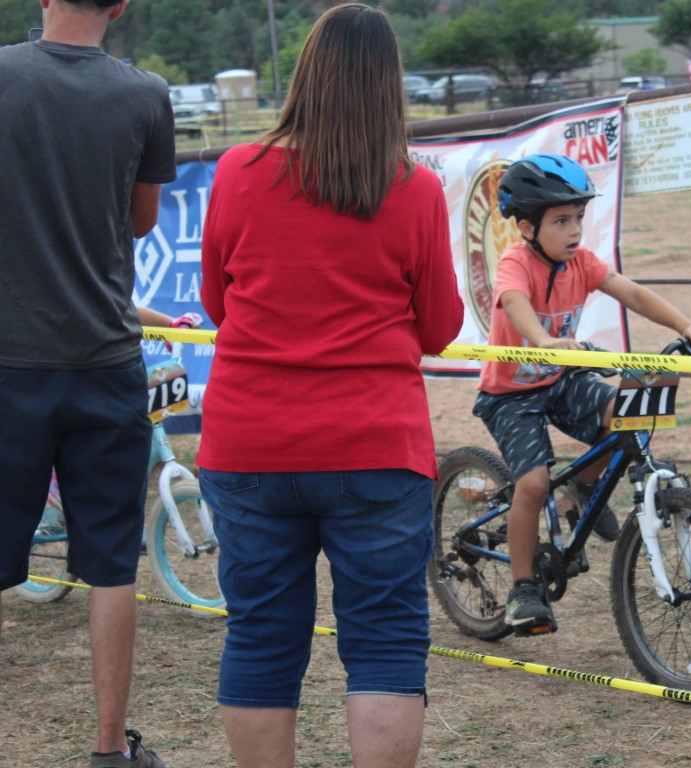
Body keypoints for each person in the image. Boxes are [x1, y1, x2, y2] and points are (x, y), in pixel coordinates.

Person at [195, 5, 464, 768]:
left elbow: (218, 302)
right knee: (385, 641)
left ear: (306, 75)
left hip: (250, 441)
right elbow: (439, 327)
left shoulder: (237, 171)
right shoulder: (413, 189)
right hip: (375, 444)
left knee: (259, 635)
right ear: (390, 86)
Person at [0, 1, 174, 766]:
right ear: (121, 4)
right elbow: (140, 222)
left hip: (8, 362)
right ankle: (109, 748)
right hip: (104, 360)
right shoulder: (145, 93)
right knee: (109, 566)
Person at [473, 153, 691, 635]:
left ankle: (583, 491)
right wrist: (541, 340)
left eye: (578, 218)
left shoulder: (581, 263)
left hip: (561, 379)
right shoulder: (516, 262)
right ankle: (523, 589)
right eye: (561, 221)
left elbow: (633, 293)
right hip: (511, 395)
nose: (575, 230)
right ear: (527, 227)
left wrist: (684, 324)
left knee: (625, 413)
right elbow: (514, 303)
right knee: (533, 484)